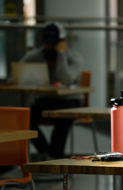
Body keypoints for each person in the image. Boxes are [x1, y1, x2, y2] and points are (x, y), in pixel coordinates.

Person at [20, 21, 84, 159]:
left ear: (63, 41)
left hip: (70, 100)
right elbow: (17, 72)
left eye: (54, 43)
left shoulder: (74, 58)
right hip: (47, 99)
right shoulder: (37, 55)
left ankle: (55, 157)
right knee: (25, 118)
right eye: (47, 43)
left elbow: (65, 78)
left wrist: (61, 54)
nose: (49, 46)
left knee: (63, 116)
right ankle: (46, 152)